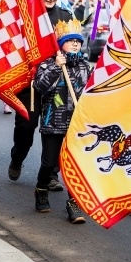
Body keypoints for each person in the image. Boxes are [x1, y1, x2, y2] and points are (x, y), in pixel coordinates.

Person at [9, 0, 71, 192]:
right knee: (27, 127)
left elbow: (73, 44)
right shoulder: (28, 16)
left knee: (56, 129)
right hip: (31, 82)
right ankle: (17, 158)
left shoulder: (65, 16)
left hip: (56, 84)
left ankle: (51, 174)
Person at [33, 19, 91, 223]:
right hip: (53, 122)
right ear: (60, 44)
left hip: (76, 125)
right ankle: (41, 189)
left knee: (76, 166)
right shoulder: (48, 64)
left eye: (78, 41)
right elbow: (40, 87)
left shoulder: (85, 67)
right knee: (49, 163)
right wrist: (57, 67)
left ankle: (73, 203)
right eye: (70, 41)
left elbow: (91, 94)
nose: (75, 44)